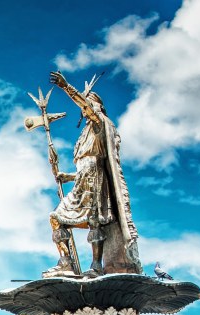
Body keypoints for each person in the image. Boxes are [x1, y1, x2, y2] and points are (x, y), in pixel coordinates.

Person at [44, 71, 141, 278]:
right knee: (56, 218)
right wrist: (66, 176)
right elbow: (85, 165)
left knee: (95, 221)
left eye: (92, 101)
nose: (89, 105)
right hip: (82, 181)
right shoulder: (84, 135)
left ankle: (97, 265)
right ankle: (66, 263)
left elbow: (95, 162)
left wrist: (66, 87)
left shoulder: (99, 124)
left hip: (97, 182)